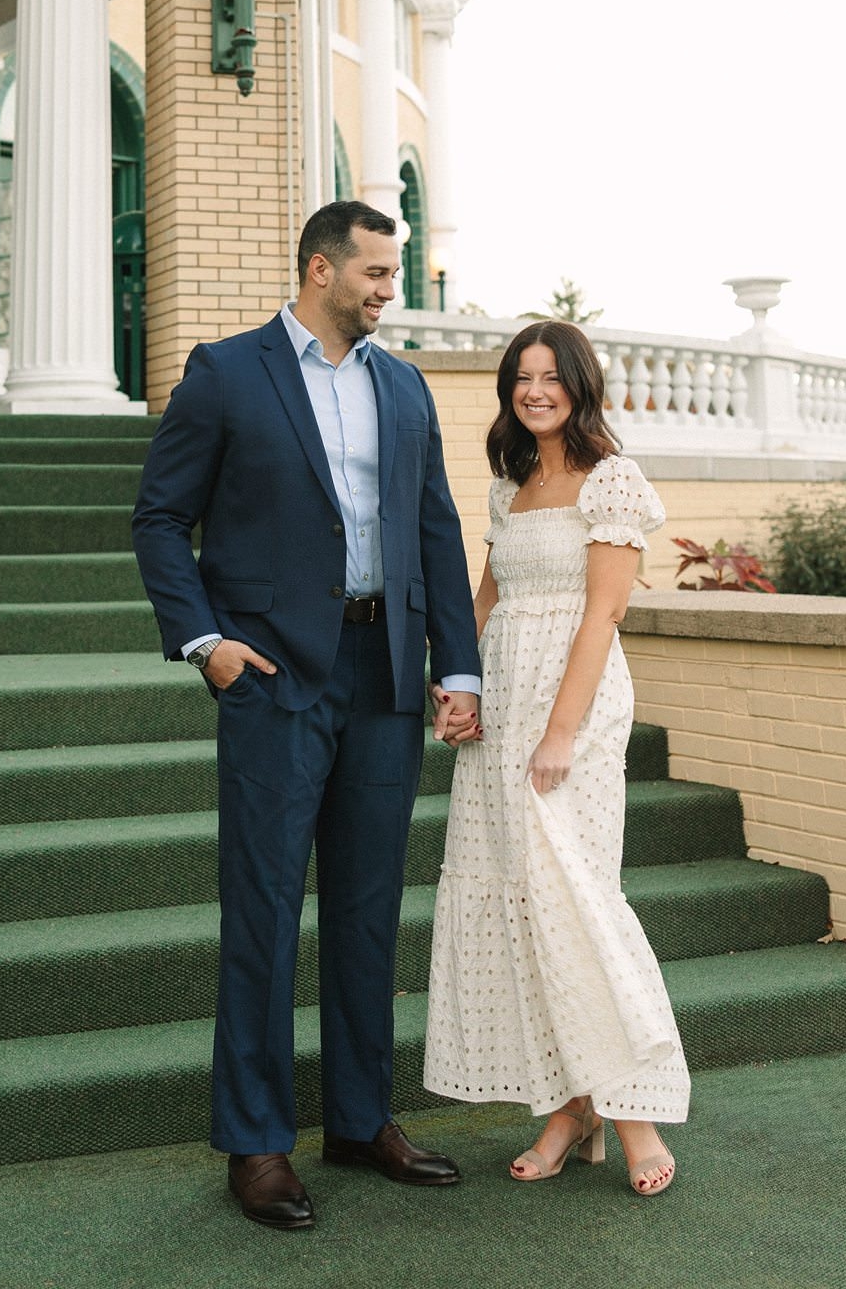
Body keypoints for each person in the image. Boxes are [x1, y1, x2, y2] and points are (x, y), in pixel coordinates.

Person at [132, 200, 483, 1230]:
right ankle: (256, 1142)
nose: (388, 291)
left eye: (393, 273)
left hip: (386, 674)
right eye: (374, 273)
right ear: (320, 269)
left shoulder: (404, 385)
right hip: (274, 675)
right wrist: (206, 643)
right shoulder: (225, 374)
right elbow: (160, 517)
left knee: (369, 908)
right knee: (265, 908)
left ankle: (362, 1120)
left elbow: (435, 528)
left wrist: (459, 666)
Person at [423, 320, 690, 1194]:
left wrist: (562, 731)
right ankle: (572, 1110)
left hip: (573, 707)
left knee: (574, 897)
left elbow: (603, 614)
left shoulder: (611, 479)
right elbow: (486, 599)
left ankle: (632, 1114)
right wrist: (459, 687)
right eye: (522, 378)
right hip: (504, 702)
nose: (535, 391)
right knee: (523, 900)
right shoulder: (511, 484)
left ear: (580, 385)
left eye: (551, 377)